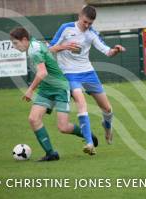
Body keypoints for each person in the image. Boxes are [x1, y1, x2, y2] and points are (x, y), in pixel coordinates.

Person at [10, 27, 98, 161]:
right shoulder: (36, 44)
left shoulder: (34, 50)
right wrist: (64, 46)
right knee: (33, 119)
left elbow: (42, 73)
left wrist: (30, 90)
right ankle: (51, 153)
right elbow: (50, 49)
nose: (14, 47)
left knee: (63, 127)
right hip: (46, 89)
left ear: (24, 39)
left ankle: (87, 136)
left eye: (16, 43)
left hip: (59, 88)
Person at [49, 5, 125, 155]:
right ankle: (89, 143)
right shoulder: (66, 28)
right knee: (81, 103)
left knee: (107, 109)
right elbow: (50, 48)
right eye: (85, 22)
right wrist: (64, 46)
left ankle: (107, 126)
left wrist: (115, 50)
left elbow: (107, 52)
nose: (87, 25)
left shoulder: (91, 34)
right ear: (79, 16)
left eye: (90, 23)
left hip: (88, 72)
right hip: (69, 73)